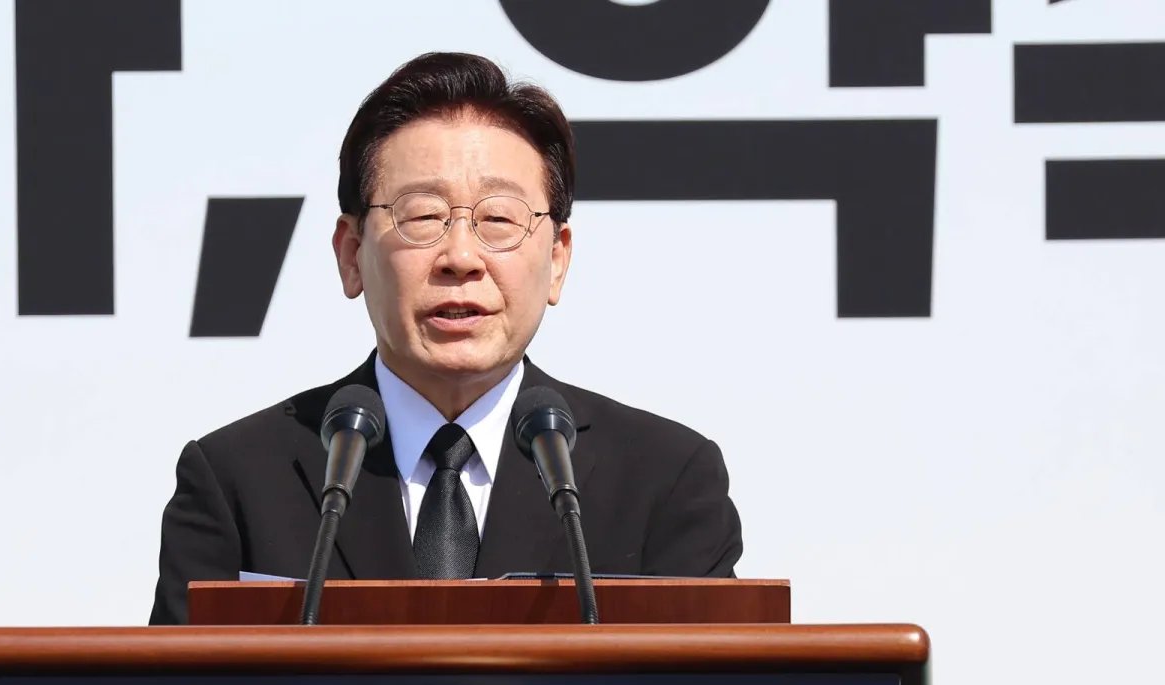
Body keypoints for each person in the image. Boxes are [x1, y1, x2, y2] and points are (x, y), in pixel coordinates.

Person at [149, 52, 742, 625]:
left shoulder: (665, 481)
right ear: (352, 255)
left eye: (500, 220)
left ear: (557, 259)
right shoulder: (236, 480)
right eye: (423, 215)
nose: (461, 257)